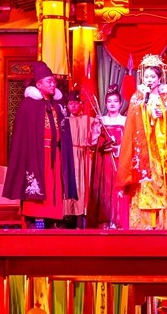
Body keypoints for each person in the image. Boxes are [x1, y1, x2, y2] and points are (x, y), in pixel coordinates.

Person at [117, 53, 167, 230]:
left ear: (160, 78)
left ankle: (164, 222)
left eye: (153, 76)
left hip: (163, 150)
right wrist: (148, 112)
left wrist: (162, 117)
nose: (149, 80)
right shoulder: (138, 98)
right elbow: (133, 123)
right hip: (144, 150)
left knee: (163, 181)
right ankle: (146, 223)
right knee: (146, 181)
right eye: (146, 76)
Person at [2, 61, 77, 229]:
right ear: (39, 84)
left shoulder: (58, 104)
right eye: (49, 81)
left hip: (55, 152)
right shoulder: (28, 105)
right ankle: (33, 219)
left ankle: (52, 219)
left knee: (54, 185)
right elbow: (21, 136)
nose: (53, 84)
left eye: (54, 81)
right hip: (36, 153)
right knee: (36, 183)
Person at [87, 84, 129, 229]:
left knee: (117, 188)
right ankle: (103, 221)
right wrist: (96, 127)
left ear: (120, 103)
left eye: (115, 101)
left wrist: (117, 148)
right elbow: (91, 142)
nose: (112, 104)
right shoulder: (101, 120)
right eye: (109, 101)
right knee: (104, 187)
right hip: (103, 160)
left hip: (118, 159)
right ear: (105, 104)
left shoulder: (125, 120)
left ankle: (118, 220)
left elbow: (129, 142)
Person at [64, 89, 94, 228]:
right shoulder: (64, 122)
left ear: (81, 104)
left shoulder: (89, 120)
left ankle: (83, 215)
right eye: (71, 103)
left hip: (84, 156)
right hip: (70, 156)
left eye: (76, 103)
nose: (74, 106)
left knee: (84, 185)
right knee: (71, 185)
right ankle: (69, 216)